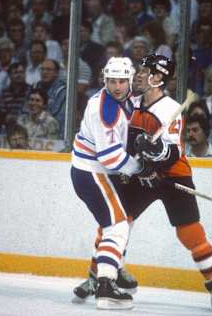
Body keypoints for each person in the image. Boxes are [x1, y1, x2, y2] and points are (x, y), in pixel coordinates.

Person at [126, 54, 212, 311]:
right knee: (118, 219)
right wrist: (138, 157)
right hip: (143, 173)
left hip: (174, 175)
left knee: (190, 233)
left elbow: (172, 153)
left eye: (145, 71)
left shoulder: (169, 109)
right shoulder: (132, 103)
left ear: (158, 77)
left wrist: (153, 153)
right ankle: (101, 274)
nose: (138, 75)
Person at [71, 57, 143, 310]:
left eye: (122, 81)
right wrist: (141, 168)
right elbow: (110, 157)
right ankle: (106, 285)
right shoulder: (105, 109)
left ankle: (111, 267)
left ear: (130, 81)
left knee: (124, 219)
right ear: (105, 80)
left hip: (100, 172)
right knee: (117, 226)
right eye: (112, 81)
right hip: (92, 173)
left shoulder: (126, 99)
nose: (117, 86)